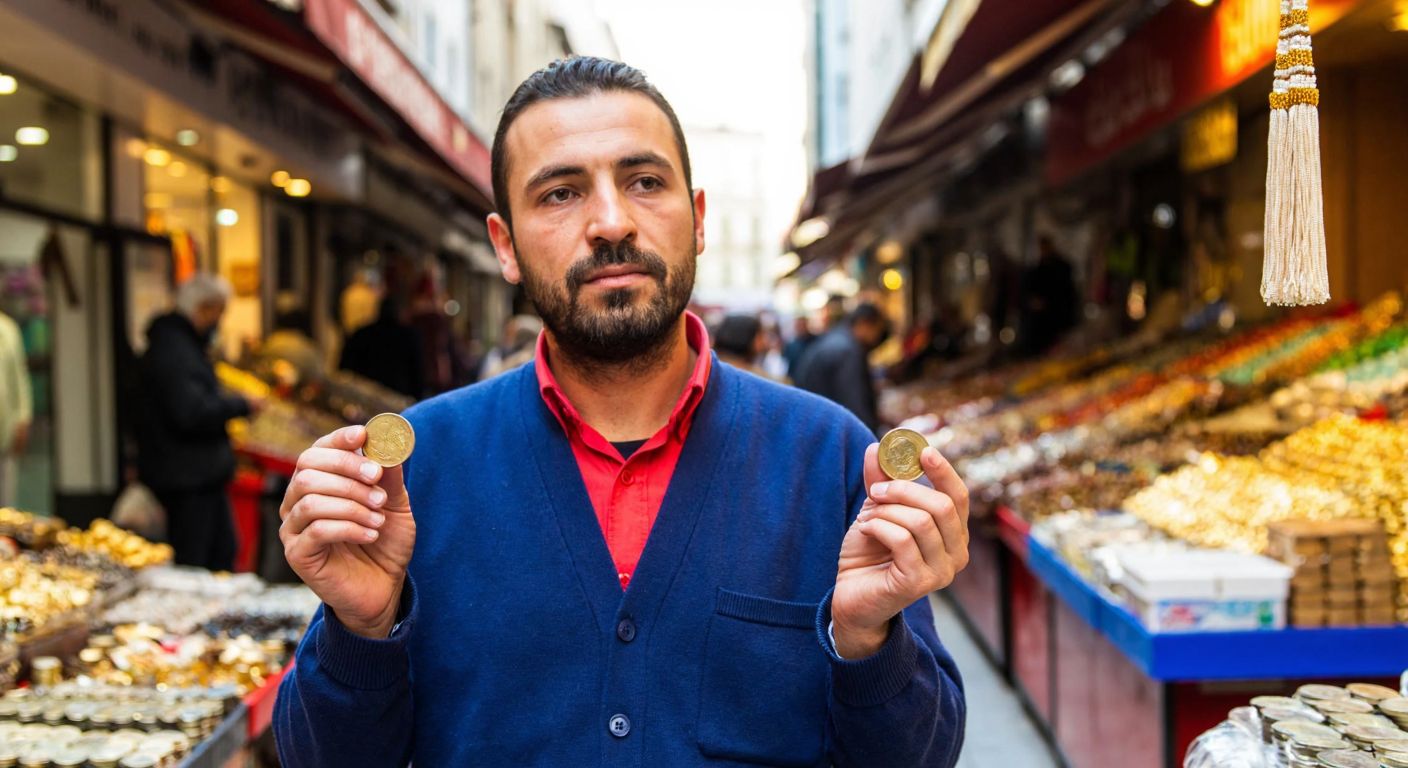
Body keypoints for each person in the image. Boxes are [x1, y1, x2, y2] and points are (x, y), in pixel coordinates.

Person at [274, 57, 967, 767]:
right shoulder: (412, 471)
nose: (610, 223)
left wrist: (867, 643)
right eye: (560, 193)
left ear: (697, 220)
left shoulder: (827, 458)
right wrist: (360, 629)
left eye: (644, 183)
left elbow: (922, 756)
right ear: (505, 246)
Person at [136, 274, 258, 571]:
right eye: (219, 312)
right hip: (187, 477)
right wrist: (240, 404)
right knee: (198, 560)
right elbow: (191, 411)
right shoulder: (175, 350)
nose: (220, 321)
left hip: (197, 475)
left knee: (221, 551)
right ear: (204, 308)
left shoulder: (180, 345)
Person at [792, 303, 891, 435]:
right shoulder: (847, 350)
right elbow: (855, 404)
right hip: (826, 430)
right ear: (864, 323)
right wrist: (872, 441)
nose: (877, 337)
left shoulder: (838, 338)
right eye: (877, 330)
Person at [338, 295, 424, 399]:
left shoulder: (362, 334)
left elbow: (344, 367)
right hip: (397, 397)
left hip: (363, 395)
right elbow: (417, 373)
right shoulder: (408, 336)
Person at [1018, 236, 1079, 356]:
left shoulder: (1061, 267)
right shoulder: (1035, 270)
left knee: (1060, 347)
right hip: (1041, 320)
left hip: (1058, 315)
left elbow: (1067, 293)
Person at [0, 309, 31, 507]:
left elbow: (19, 378)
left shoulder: (7, 329)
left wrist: (22, 419)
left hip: (4, 431)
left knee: (4, 505)